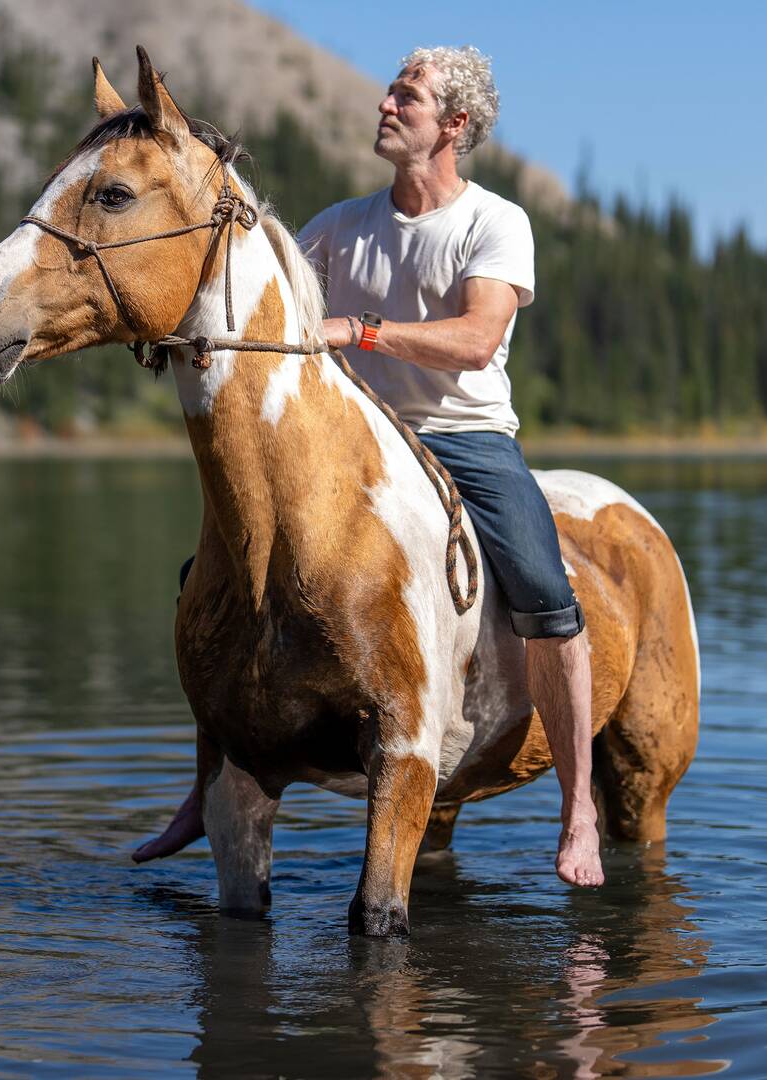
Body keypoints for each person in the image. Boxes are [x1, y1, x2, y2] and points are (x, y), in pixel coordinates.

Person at [301, 45, 602, 887]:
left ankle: (578, 813)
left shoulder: (496, 222)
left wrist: (358, 331)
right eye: (390, 92)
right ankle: (205, 786)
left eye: (408, 96)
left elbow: (475, 342)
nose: (387, 105)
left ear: (455, 125)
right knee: (214, 579)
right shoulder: (335, 226)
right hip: (361, 438)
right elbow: (270, 302)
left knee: (549, 600)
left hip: (466, 440)